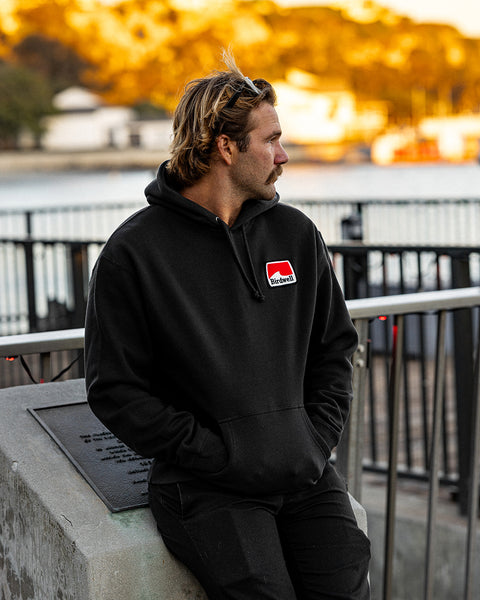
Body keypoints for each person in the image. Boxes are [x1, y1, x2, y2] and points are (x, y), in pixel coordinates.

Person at [84, 52, 371, 600]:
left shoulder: (295, 234)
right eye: (271, 140)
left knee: (347, 582)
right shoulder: (134, 254)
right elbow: (115, 390)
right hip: (209, 491)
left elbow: (334, 346)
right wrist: (218, 454)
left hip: (304, 473)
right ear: (225, 146)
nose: (283, 156)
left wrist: (315, 437)